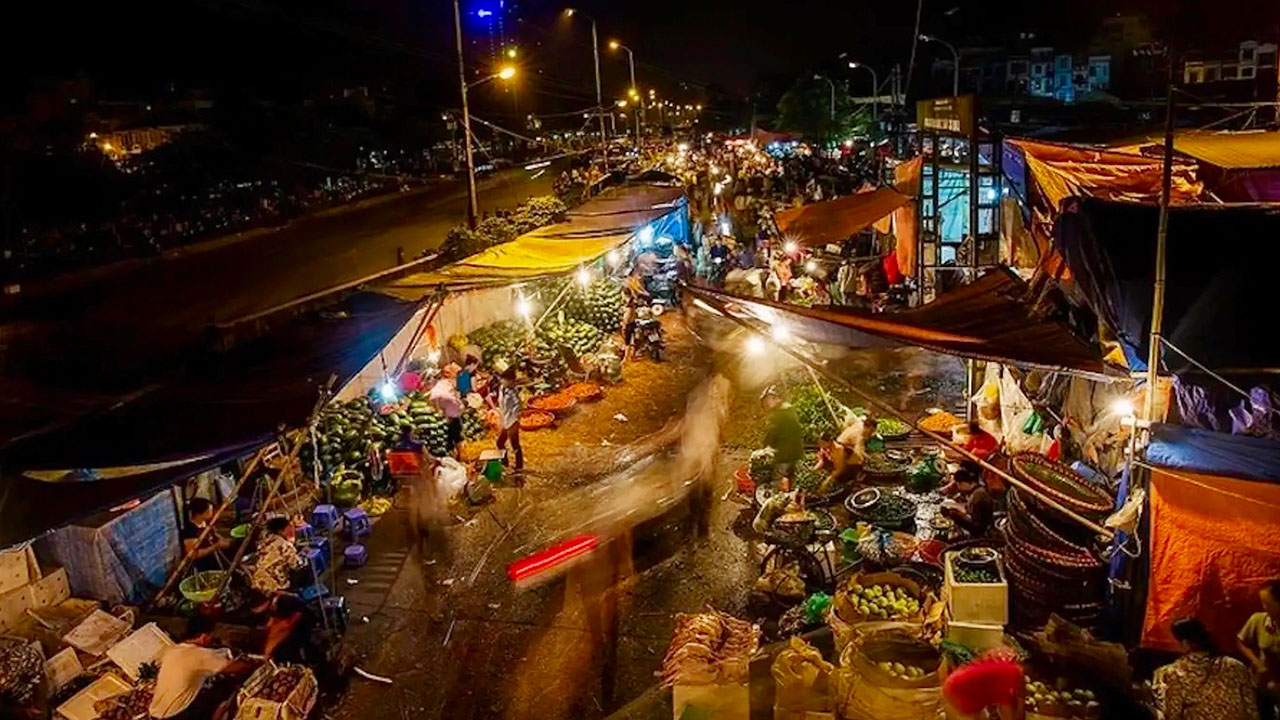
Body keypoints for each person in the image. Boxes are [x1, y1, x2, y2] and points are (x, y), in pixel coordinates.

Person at [149, 619, 250, 720]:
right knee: (224, 690)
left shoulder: (172, 650)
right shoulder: (199, 654)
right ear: (204, 637)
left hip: (156, 712)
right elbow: (234, 668)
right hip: (176, 714)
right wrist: (252, 664)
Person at [1159, 617, 1259, 720]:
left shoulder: (1177, 673)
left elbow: (1173, 715)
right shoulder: (1235, 665)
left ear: (1185, 643)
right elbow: (1251, 709)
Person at [942, 647, 1025, 720]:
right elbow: (1007, 713)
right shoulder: (1008, 679)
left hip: (956, 684)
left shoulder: (1011, 671)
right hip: (957, 691)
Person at [1239, 580, 1280, 711]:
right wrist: (1257, 663)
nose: (1264, 607)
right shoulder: (1258, 620)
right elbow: (1240, 642)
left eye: (1267, 604)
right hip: (1261, 686)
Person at [249, 516, 304, 596]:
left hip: (258, 583)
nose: (291, 530)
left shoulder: (264, 542)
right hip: (274, 585)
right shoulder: (285, 546)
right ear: (281, 531)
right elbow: (297, 565)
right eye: (288, 528)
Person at [761, 386, 804, 482]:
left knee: (778, 479)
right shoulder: (789, 408)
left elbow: (773, 433)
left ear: (775, 398)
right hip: (796, 452)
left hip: (784, 454)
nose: (766, 404)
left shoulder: (778, 414)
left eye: (767, 400)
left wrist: (765, 447)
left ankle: (778, 496)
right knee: (792, 479)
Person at [942, 462, 995, 537]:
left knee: (952, 514)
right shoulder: (979, 489)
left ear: (963, 483)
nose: (959, 488)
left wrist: (958, 515)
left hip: (981, 530)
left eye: (959, 485)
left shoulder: (978, 495)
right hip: (982, 523)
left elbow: (976, 523)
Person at [181, 498, 229, 573]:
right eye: (209, 510)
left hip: (217, 556)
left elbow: (216, 536)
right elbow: (193, 555)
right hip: (205, 563)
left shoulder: (206, 523)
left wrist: (226, 542)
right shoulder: (191, 530)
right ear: (200, 513)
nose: (212, 512)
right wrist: (215, 547)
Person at [429, 364, 465, 458]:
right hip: (451, 415)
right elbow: (441, 398)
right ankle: (458, 457)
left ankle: (455, 456)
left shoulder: (444, 384)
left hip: (446, 415)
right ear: (448, 374)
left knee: (450, 437)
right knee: (456, 437)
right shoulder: (443, 385)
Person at [494, 365, 524, 471]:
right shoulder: (502, 388)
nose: (503, 381)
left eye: (505, 380)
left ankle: (519, 467)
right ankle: (505, 462)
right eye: (503, 379)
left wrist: (512, 422)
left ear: (511, 381)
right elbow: (501, 403)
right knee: (500, 443)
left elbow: (518, 409)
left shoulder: (513, 394)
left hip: (512, 422)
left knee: (515, 445)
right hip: (505, 420)